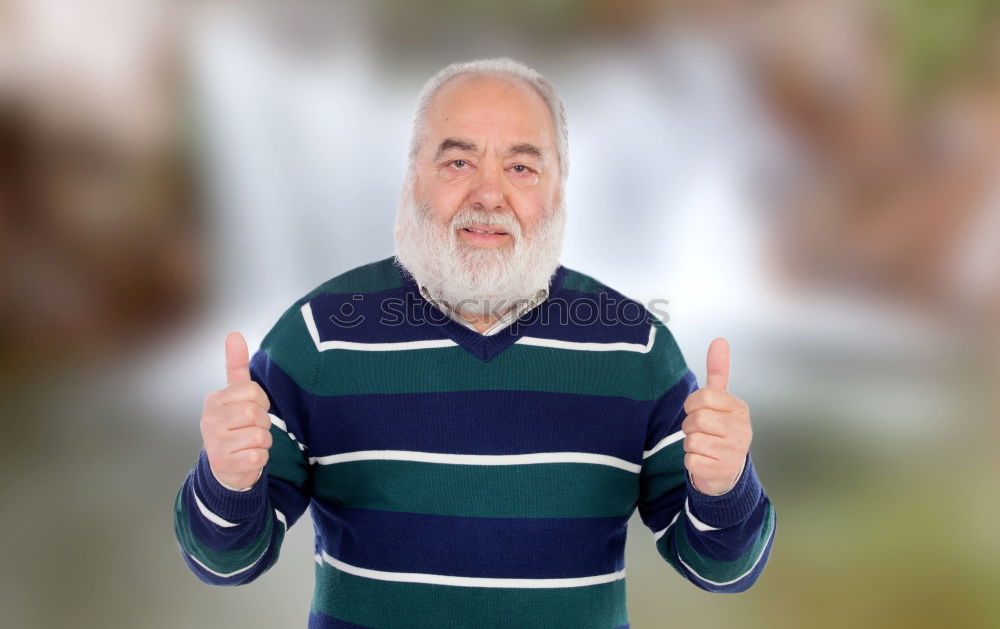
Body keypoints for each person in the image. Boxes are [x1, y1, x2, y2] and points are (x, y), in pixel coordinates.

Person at [173, 57, 776, 629]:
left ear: (559, 190)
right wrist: (224, 479)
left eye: (521, 167)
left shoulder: (638, 349)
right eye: (458, 163)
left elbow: (722, 570)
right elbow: (226, 562)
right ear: (412, 177)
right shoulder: (317, 336)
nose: (489, 194)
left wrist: (725, 486)